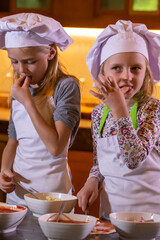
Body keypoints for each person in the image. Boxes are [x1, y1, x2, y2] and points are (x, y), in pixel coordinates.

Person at [77, 20, 160, 219]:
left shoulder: (152, 109)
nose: (127, 76)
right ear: (103, 73)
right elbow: (100, 162)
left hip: (150, 220)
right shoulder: (99, 114)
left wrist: (119, 110)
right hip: (111, 216)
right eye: (116, 68)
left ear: (146, 72)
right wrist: (92, 181)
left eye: (135, 68)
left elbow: (134, 159)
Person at [0, 13, 80, 206]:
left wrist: (28, 103)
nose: (22, 70)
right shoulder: (20, 90)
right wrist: (3, 170)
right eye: (14, 61)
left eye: (30, 61)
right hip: (17, 194)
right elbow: (13, 141)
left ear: (51, 52)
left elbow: (56, 147)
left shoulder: (66, 87)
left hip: (52, 196)